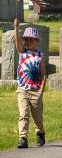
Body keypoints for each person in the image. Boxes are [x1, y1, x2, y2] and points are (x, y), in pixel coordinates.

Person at [14, 20, 45, 149]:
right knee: (23, 114)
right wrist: (16, 28)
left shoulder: (39, 56)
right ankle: (23, 138)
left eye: (30, 39)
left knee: (37, 116)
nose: (27, 42)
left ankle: (40, 133)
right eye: (25, 39)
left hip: (35, 90)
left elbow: (43, 75)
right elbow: (17, 42)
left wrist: (40, 92)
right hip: (22, 88)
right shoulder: (22, 52)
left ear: (36, 41)